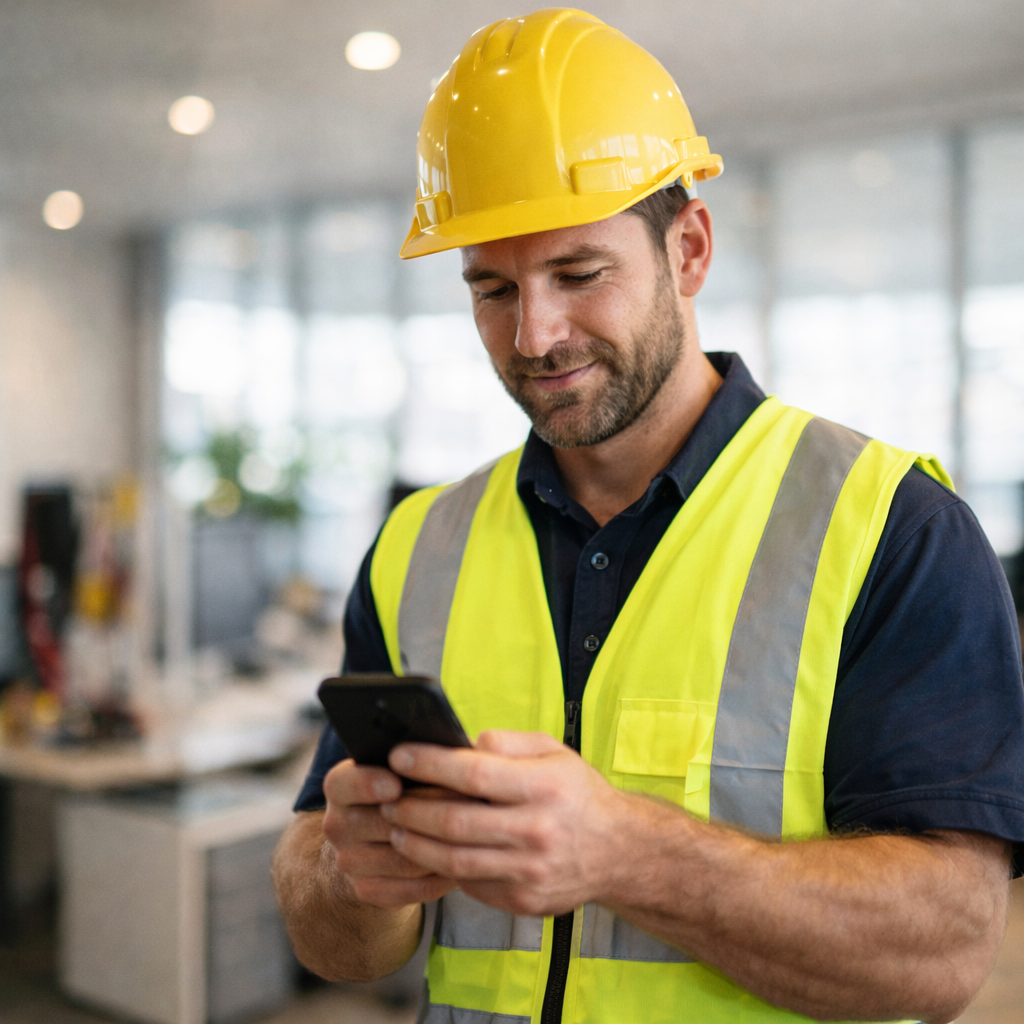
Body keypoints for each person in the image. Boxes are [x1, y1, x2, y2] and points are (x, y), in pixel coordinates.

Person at [272, 10, 1024, 1023]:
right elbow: (338, 943)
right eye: (491, 288)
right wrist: (349, 873)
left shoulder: (892, 529)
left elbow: (941, 953)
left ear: (690, 249)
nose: (534, 334)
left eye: (578, 274)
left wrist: (624, 852)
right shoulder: (417, 546)